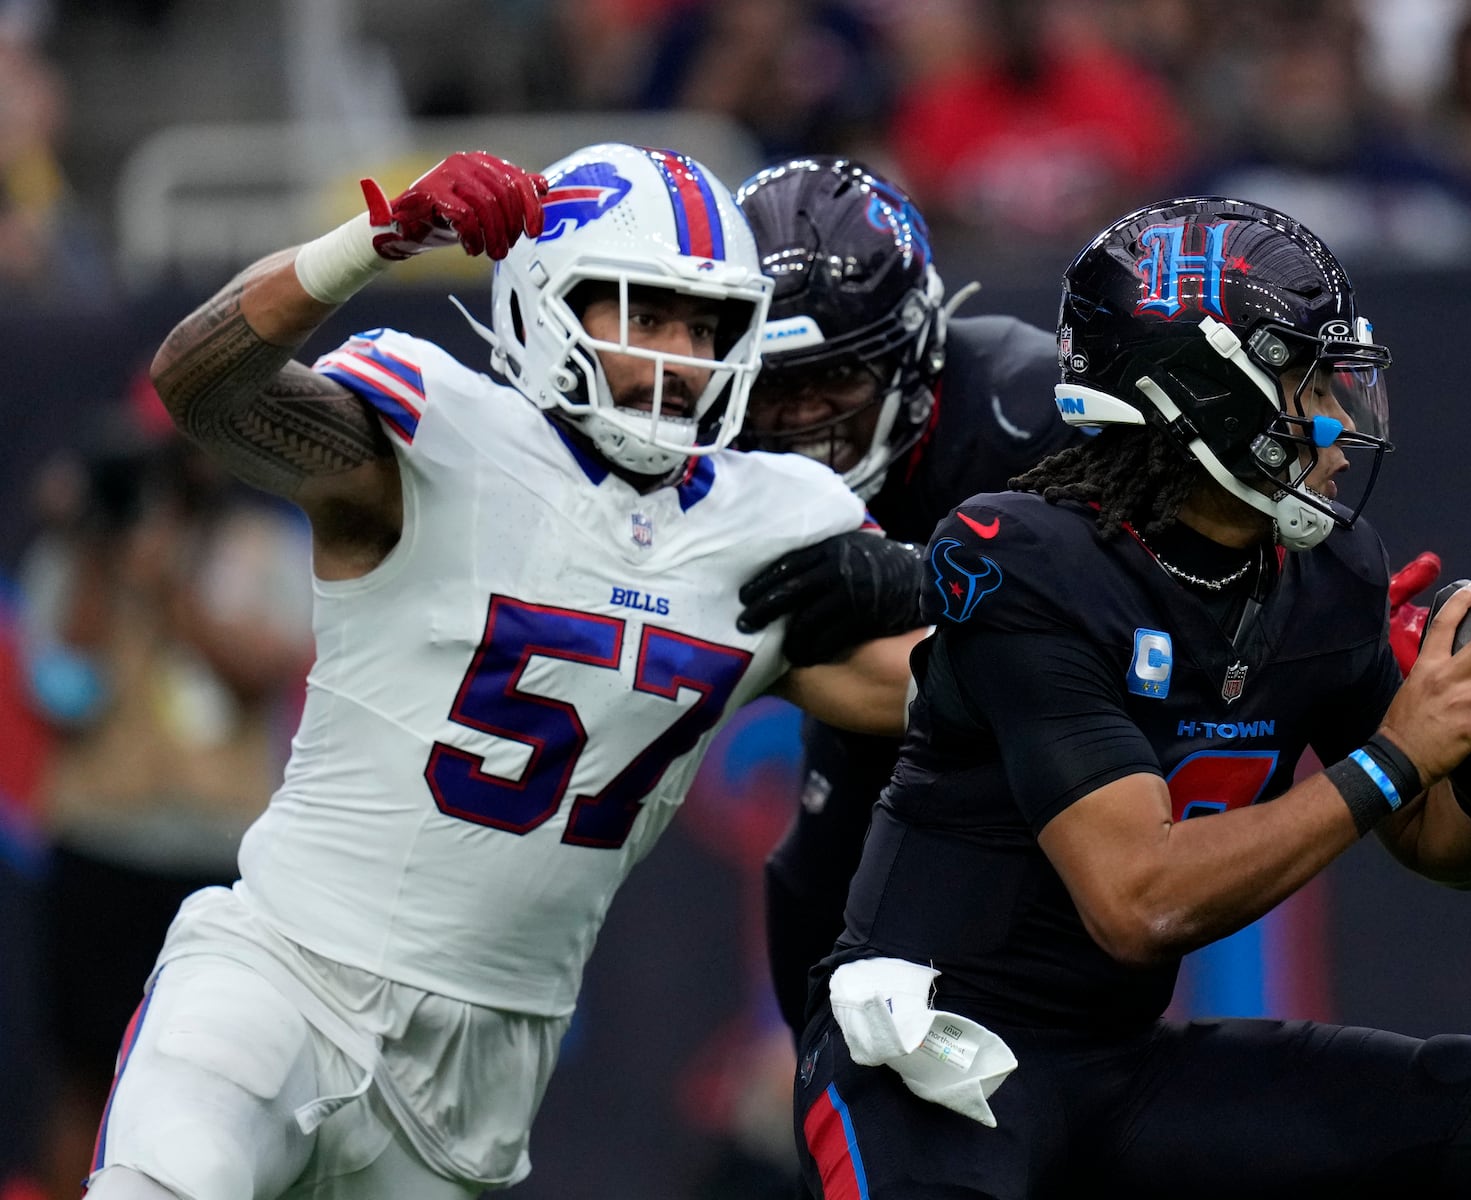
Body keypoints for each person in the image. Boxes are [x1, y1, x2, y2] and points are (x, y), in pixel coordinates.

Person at [83, 143, 926, 1200]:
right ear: (545, 302)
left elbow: (936, 693)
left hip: (484, 1063)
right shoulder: (441, 437)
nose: (678, 354)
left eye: (702, 325)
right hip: (282, 977)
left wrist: (946, 582)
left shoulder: (770, 519)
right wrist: (365, 246)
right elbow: (201, 388)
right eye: (643, 313)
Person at [792, 197, 1471, 1199]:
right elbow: (1138, 900)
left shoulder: (1325, 573)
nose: (1346, 425)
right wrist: (1396, 754)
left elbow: (1440, 851)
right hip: (927, 1067)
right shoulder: (1030, 561)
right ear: (1207, 390)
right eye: (1311, 382)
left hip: (1112, 1066)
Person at [728, 157, 1082, 1039]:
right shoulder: (698, 436)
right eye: (776, 390)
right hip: (863, 762)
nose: (805, 420)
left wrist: (926, 574)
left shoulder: (1026, 409)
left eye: (834, 382)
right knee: (815, 918)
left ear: (913, 351)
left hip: (1058, 779)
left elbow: (1128, 619)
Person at [18, 423, 313, 1200]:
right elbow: (61, 692)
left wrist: (172, 582)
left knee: (227, 1086)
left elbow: (262, 671)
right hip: (101, 843)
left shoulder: (263, 545)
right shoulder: (85, 549)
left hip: (220, 861)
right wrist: (93, 550)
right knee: (85, 1071)